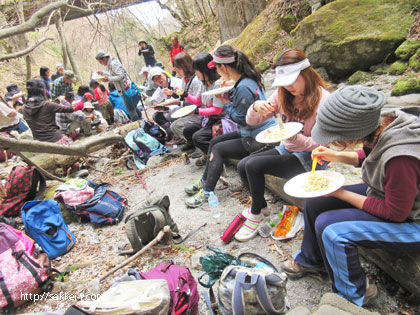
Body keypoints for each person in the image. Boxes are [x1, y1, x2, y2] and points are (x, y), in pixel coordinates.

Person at [280, 85, 420, 307]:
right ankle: (312, 259)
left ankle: (354, 294)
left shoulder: (401, 157)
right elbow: (370, 155)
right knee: (317, 202)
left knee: (332, 230)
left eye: (335, 138)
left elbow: (396, 213)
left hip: (412, 221)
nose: (330, 141)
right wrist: (336, 155)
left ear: (353, 133)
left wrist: (341, 193)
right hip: (390, 195)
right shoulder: (380, 122)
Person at [234, 49, 331, 241]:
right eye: (284, 82)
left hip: (312, 159)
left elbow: (319, 145)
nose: (288, 86)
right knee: (243, 165)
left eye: (293, 80)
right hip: (288, 148)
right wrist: (255, 107)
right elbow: (252, 122)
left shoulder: (324, 101)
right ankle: (261, 207)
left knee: (253, 165)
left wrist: (293, 138)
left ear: (306, 74)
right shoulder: (282, 94)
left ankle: (255, 214)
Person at [184, 45, 276, 208]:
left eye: (217, 68)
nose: (216, 72)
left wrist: (224, 100)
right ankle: (205, 181)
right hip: (251, 132)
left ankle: (206, 192)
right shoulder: (242, 81)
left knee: (219, 149)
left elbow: (242, 119)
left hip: (259, 137)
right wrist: (227, 95)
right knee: (215, 142)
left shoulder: (243, 87)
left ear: (224, 67)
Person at [181, 52, 235, 165]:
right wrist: (184, 94)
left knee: (198, 137)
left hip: (221, 120)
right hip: (208, 119)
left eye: (197, 71)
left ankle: (218, 159)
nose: (195, 73)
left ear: (205, 70)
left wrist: (196, 111)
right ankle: (208, 153)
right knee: (187, 131)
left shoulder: (217, 84)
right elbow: (198, 101)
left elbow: (217, 110)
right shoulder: (204, 83)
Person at [169, 52, 204, 149]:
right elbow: (184, 98)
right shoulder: (184, 80)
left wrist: (179, 102)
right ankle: (189, 141)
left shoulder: (196, 80)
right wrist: (174, 95)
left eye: (178, 68)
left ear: (185, 67)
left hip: (199, 113)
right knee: (172, 120)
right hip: (191, 110)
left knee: (176, 126)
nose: (176, 71)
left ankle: (198, 146)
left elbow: (197, 102)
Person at [22, 80, 73, 144]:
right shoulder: (47, 105)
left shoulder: (24, 107)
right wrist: (62, 100)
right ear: (42, 91)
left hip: (39, 143)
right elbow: (70, 108)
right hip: (55, 140)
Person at [95, 50, 141, 122]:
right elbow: (114, 74)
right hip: (123, 88)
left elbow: (120, 76)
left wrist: (109, 79)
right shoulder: (111, 64)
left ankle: (138, 124)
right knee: (132, 107)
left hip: (125, 88)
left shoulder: (113, 64)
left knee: (130, 109)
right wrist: (104, 73)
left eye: (100, 62)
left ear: (104, 58)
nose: (101, 64)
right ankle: (140, 120)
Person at [149, 67, 184, 142]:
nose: (159, 80)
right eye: (156, 79)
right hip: (171, 109)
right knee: (156, 116)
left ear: (164, 74)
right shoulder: (161, 88)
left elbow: (182, 98)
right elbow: (153, 97)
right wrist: (155, 103)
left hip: (182, 107)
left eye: (160, 77)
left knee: (167, 115)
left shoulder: (176, 82)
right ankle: (172, 134)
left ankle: (180, 135)